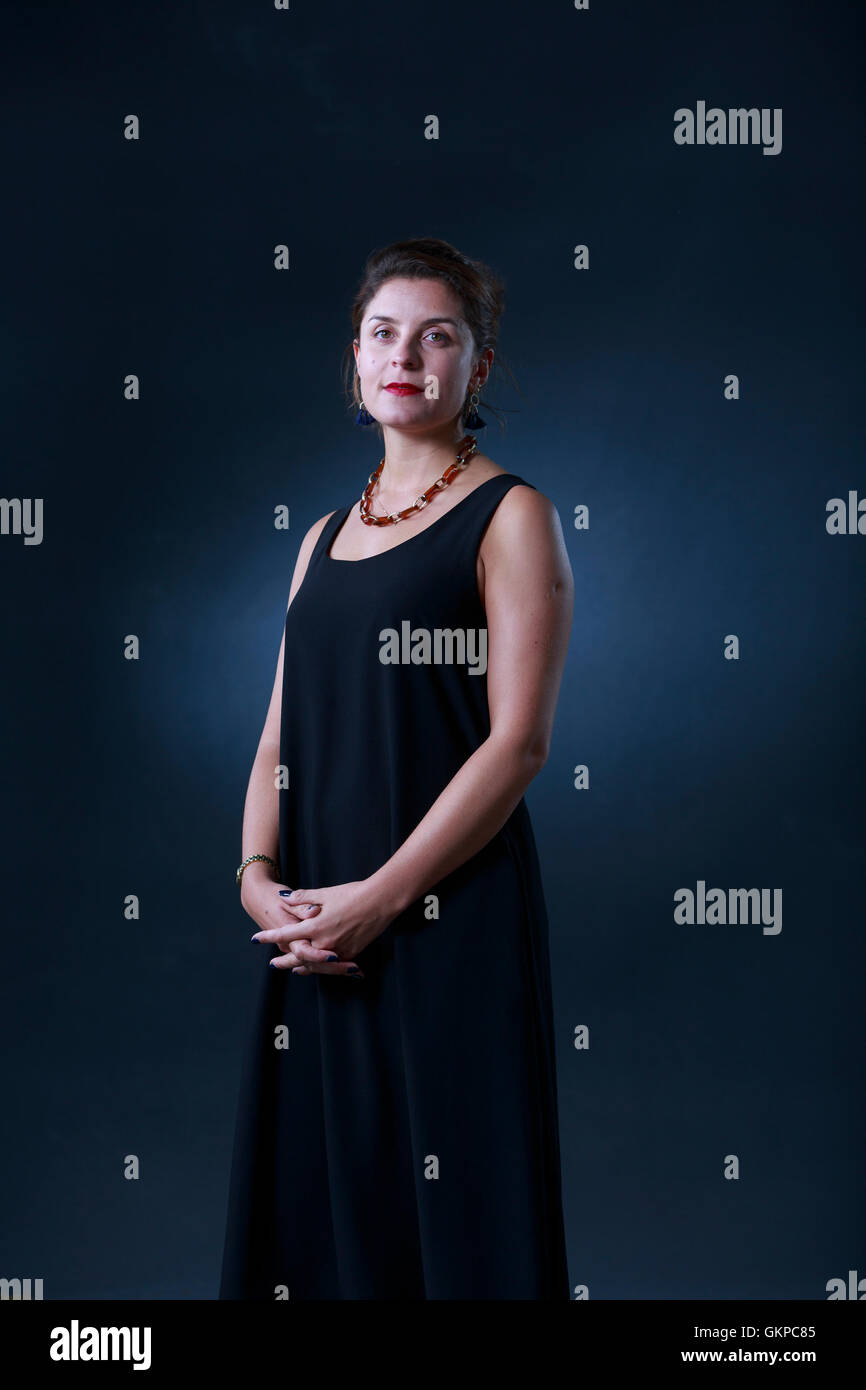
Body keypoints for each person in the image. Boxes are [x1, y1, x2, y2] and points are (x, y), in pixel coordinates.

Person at [219, 237, 574, 1300]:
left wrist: (381, 897)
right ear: (355, 358)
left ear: (479, 367)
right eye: (384, 333)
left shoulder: (512, 515)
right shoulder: (320, 536)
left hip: (440, 915)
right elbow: (278, 734)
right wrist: (254, 878)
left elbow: (517, 742)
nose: (405, 356)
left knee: (459, 1214)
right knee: (326, 1214)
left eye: (438, 336)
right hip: (314, 926)